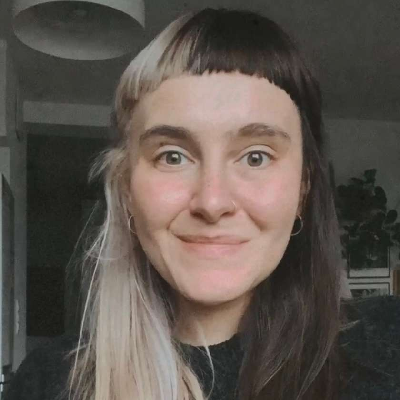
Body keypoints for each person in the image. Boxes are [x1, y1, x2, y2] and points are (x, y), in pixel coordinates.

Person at [5, 8, 400, 400]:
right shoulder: (49, 383)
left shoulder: (386, 350)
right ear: (127, 191)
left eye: (256, 157)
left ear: (302, 190)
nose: (212, 202)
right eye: (172, 156)